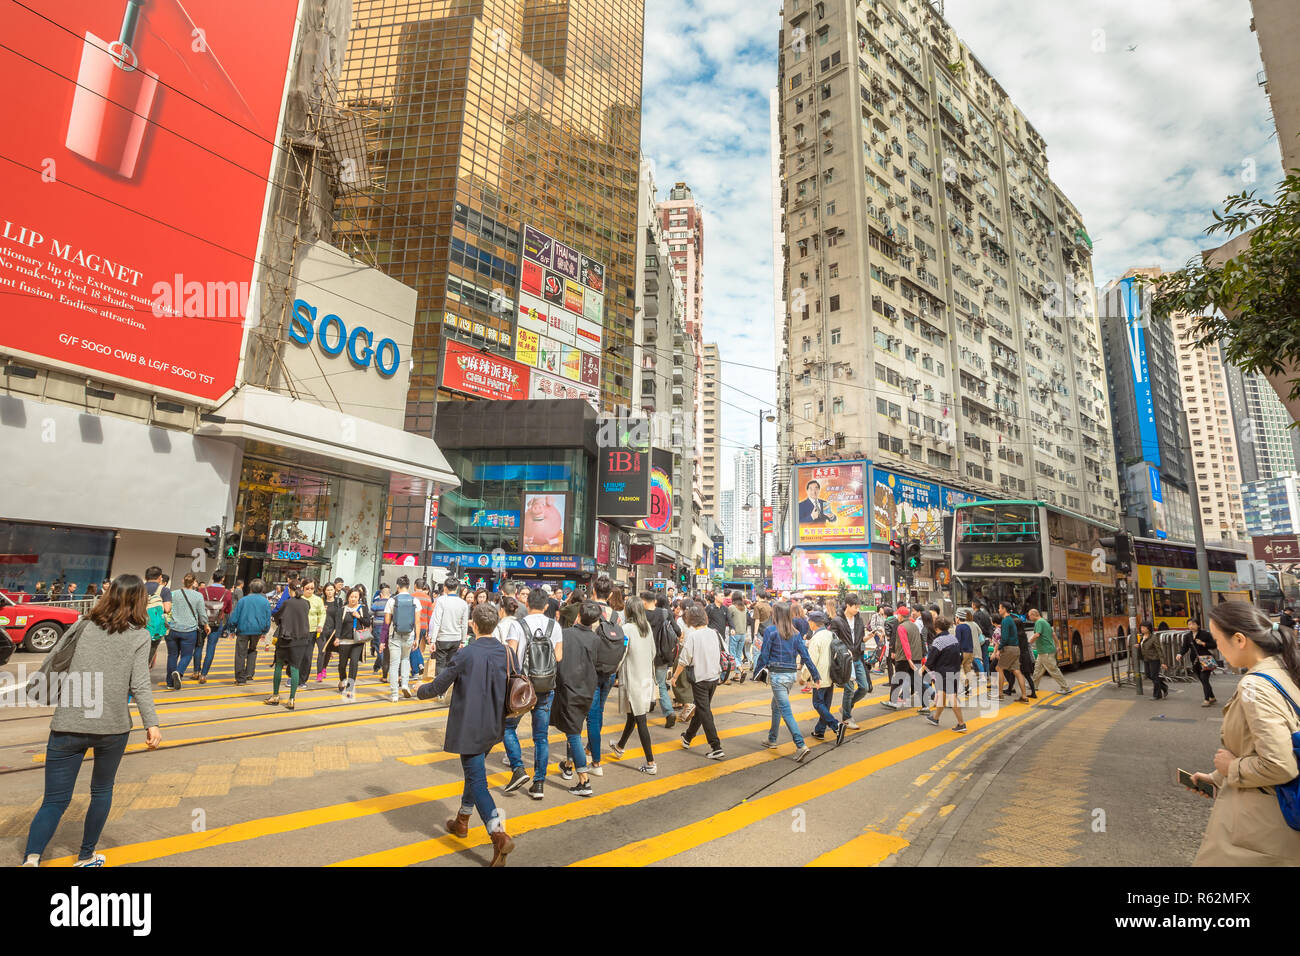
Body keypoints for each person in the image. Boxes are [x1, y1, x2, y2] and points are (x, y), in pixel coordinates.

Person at [21, 574, 162, 867]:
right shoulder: (140, 635)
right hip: (112, 727)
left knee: (54, 801)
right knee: (101, 791)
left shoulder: (83, 625)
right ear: (140, 601)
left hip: (68, 724)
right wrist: (152, 723)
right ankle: (86, 856)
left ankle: (31, 860)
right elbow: (140, 684)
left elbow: (56, 659)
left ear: (108, 595)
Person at [1188, 602, 1300, 866]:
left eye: (1218, 641)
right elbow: (1257, 745)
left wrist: (1230, 767)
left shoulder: (1254, 686)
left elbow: (1278, 764)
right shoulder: (1283, 671)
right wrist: (1217, 777)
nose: (1218, 649)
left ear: (1239, 640)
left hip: (1258, 831)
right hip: (1269, 820)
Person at [416, 602, 515, 866]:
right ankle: (462, 820)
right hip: (495, 727)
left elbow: (439, 685)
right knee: (475, 774)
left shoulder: (466, 653)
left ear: (473, 625)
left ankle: (498, 835)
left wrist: (417, 689)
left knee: (479, 783)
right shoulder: (507, 652)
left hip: (470, 728)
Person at [504, 588, 563, 799]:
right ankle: (539, 784)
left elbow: (510, 655)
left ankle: (518, 768)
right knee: (541, 737)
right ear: (547, 605)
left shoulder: (517, 625)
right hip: (546, 687)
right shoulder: (554, 625)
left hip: (522, 687)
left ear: (526, 603)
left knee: (508, 727)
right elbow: (558, 657)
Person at [754, 601, 819, 762]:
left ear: (775, 615)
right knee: (775, 706)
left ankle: (800, 745)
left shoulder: (770, 631)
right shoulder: (796, 633)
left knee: (785, 711)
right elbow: (805, 656)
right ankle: (772, 738)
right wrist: (815, 675)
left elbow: (764, 654)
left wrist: (757, 672)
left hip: (777, 676)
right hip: (790, 676)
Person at [607, 595, 659, 774]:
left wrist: (613, 670)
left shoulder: (627, 629)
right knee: (634, 715)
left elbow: (622, 653)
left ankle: (651, 763)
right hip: (646, 679)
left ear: (629, 610)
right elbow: (653, 652)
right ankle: (620, 747)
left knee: (641, 719)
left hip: (633, 679)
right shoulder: (647, 628)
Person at [555, 602, 602, 797]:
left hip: (568, 689)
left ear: (578, 616)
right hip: (588, 689)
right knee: (572, 730)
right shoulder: (596, 639)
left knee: (573, 734)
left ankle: (584, 781)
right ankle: (567, 765)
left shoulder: (565, 634)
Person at [671, 604, 725, 759]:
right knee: (702, 709)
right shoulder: (713, 633)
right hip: (714, 677)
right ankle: (687, 737)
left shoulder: (693, 636)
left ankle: (716, 746)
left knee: (705, 711)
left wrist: (675, 677)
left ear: (690, 620)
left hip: (700, 679)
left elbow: (684, 659)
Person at [585, 575, 626, 776]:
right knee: (598, 712)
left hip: (591, 670)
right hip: (610, 671)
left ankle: (595, 762)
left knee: (591, 716)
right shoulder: (617, 616)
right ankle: (590, 749)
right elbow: (623, 644)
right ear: (610, 594)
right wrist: (616, 667)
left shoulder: (588, 611)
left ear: (593, 590)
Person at [264, 583, 309, 710]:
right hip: (301, 640)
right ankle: (292, 699)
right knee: (295, 668)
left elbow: (277, 617)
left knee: (279, 666)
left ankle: (276, 696)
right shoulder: (306, 604)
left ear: (290, 590)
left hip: (285, 639)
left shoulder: (287, 603)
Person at [164, 573, 210, 690]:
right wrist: (206, 624)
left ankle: (170, 683)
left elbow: (167, 609)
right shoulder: (198, 596)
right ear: (194, 582)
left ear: (182, 581)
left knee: (172, 655)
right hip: (189, 631)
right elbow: (202, 613)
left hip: (173, 629)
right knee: (187, 655)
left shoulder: (173, 593)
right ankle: (179, 672)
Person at [920, 616, 966, 732]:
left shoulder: (938, 641)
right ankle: (935, 718)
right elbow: (961, 655)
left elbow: (931, 658)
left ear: (936, 627)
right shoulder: (953, 638)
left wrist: (924, 669)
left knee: (951, 696)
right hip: (954, 670)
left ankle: (961, 723)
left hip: (943, 672)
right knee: (942, 694)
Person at [325, 587, 372, 700]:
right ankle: (343, 679)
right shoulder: (342, 610)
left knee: (354, 663)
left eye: (356, 597)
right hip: (344, 641)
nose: (353, 599)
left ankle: (350, 688)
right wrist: (337, 638)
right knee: (342, 665)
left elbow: (368, 622)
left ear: (359, 598)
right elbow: (338, 625)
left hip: (357, 641)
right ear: (348, 597)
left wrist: (359, 617)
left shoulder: (363, 609)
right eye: (351, 597)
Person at [806, 612, 846, 745]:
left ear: (813, 623)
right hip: (832, 674)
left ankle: (836, 726)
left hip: (820, 677)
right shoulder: (831, 634)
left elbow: (811, 660)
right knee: (825, 704)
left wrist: (804, 676)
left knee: (818, 703)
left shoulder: (816, 638)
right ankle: (820, 730)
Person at [428, 578, 470, 694]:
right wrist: (463, 640)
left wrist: (433, 640)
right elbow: (464, 624)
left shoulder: (441, 601)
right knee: (452, 664)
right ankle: (450, 689)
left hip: (442, 638)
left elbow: (437, 621)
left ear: (445, 588)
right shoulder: (463, 603)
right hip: (456, 638)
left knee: (440, 664)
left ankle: (441, 691)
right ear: (457, 588)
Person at [226, 578, 271, 685]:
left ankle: (240, 678)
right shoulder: (265, 602)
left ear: (250, 588)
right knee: (252, 649)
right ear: (262, 589)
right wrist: (264, 632)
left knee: (240, 653)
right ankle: (249, 673)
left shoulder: (243, 600)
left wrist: (232, 629)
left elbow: (234, 617)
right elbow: (267, 618)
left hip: (243, 630)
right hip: (257, 630)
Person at [384, 576, 421, 702]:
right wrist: (417, 638)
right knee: (405, 659)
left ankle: (394, 694)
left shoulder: (391, 600)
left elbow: (387, 621)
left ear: (397, 586)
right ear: (409, 587)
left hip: (394, 635)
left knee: (394, 664)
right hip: (409, 635)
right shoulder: (415, 600)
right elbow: (417, 621)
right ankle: (405, 684)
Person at [838, 592, 871, 727]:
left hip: (857, 658)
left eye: (858, 607)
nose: (857, 610)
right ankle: (847, 717)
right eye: (855, 607)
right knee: (849, 689)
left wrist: (866, 640)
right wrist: (843, 652)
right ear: (848, 605)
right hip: (846, 661)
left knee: (864, 688)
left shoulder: (859, 620)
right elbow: (834, 641)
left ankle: (846, 707)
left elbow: (860, 639)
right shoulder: (838, 620)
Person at [195, 570, 233, 683]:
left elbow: (197, 606)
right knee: (211, 648)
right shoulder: (227, 593)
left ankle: (196, 671)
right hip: (216, 623)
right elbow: (228, 609)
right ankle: (203, 675)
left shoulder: (202, 590)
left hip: (202, 622)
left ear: (212, 577)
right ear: (223, 579)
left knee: (198, 647)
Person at [648, 592, 678, 726]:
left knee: (647, 681)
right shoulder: (667, 614)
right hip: (663, 654)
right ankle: (669, 712)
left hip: (648, 653)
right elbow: (677, 631)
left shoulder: (646, 613)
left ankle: (649, 703)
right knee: (661, 684)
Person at [1028, 608, 1071, 695]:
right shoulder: (1045, 622)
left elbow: (1037, 635)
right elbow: (1053, 634)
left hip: (1045, 651)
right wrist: (1058, 646)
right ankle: (1034, 686)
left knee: (1053, 669)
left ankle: (1065, 688)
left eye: (1029, 616)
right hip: (1044, 650)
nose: (1029, 618)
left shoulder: (1039, 622)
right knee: (1038, 668)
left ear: (1033, 614)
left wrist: (1028, 643)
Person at [993, 600, 1030, 702]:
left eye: (1000, 608)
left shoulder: (1005, 621)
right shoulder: (1011, 619)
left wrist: (999, 650)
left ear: (1004, 609)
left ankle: (1000, 695)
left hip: (1009, 648)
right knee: (1017, 671)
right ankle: (1024, 696)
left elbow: (1004, 638)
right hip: (1016, 648)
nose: (998, 610)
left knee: (999, 668)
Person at [1178, 617, 1218, 707]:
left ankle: (1206, 699)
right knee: (1203, 680)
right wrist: (1180, 654)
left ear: (1198, 625)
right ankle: (1212, 696)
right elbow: (1185, 647)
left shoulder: (1205, 634)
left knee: (1204, 678)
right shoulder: (1187, 636)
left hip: (1206, 660)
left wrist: (1203, 643)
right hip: (1195, 661)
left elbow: (1214, 645)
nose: (1191, 626)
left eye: (1193, 624)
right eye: (1189, 624)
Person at [143, 566, 171, 667]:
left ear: (146, 576)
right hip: (155, 626)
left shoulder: (139, 587)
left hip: (139, 624)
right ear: (160, 577)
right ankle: (144, 671)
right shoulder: (164, 590)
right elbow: (167, 609)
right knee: (151, 650)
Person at [313, 582, 340, 681]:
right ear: (324, 591)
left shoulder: (338, 602)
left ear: (334, 591)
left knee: (328, 651)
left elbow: (339, 617)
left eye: (331, 590)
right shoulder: (320, 601)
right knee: (322, 651)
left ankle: (324, 668)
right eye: (327, 590)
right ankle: (319, 673)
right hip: (321, 630)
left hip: (332, 631)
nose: (329, 592)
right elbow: (314, 614)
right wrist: (321, 610)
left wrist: (338, 632)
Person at [1137, 622, 1167, 700]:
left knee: (1154, 676)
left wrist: (1163, 662)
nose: (1142, 629)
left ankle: (1157, 695)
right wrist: (1138, 645)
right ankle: (1163, 686)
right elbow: (1143, 645)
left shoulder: (1153, 637)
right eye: (1141, 627)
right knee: (1148, 675)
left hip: (1154, 659)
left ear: (1148, 628)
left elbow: (1159, 650)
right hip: (1146, 659)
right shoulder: (1142, 636)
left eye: (1144, 627)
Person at [728, 592, 749, 676]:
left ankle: (741, 669)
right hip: (743, 633)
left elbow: (728, 619)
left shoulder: (732, 607)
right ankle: (737, 675)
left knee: (732, 654)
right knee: (739, 654)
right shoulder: (745, 608)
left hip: (734, 633)